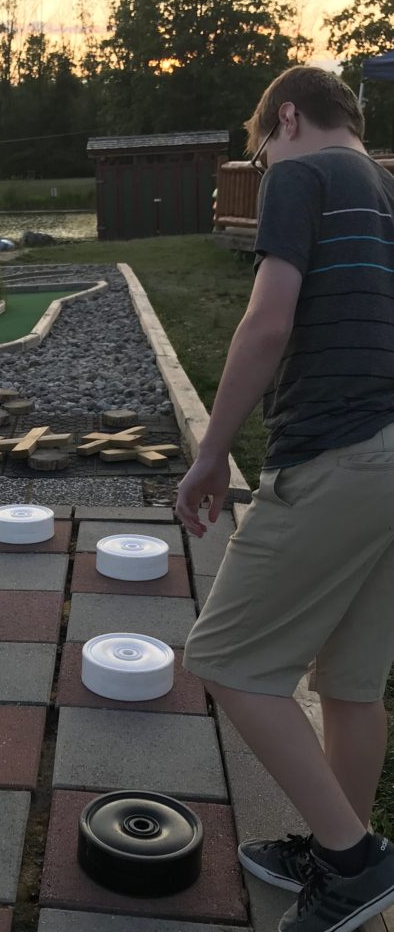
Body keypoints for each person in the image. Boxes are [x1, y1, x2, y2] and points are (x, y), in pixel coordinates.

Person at [175, 65, 394, 932]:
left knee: (226, 659)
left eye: (260, 146)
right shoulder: (386, 186)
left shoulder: (301, 173)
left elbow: (268, 321)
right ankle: (336, 838)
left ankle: (353, 861)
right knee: (349, 684)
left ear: (288, 117)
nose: (262, 163)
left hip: (337, 454)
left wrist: (210, 454)